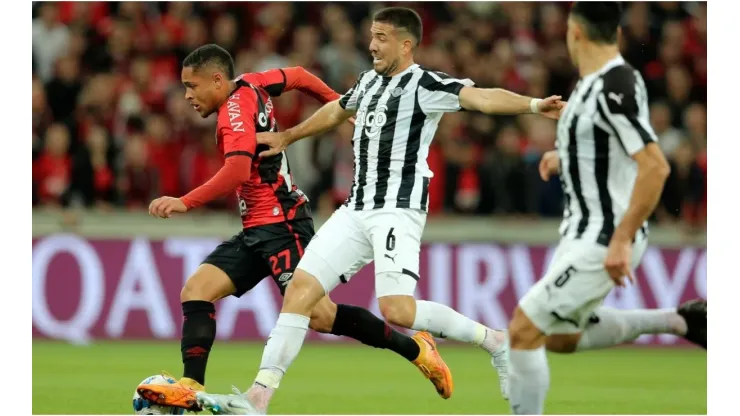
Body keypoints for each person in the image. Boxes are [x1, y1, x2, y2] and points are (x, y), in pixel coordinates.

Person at [193, 8, 564, 415]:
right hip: (356, 208)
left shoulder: (425, 83)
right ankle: (257, 399)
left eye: (382, 37)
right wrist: (288, 135)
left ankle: (495, 341)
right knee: (300, 291)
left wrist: (532, 105)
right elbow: (337, 110)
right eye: (372, 35)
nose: (372, 44)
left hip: (396, 210)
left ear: (406, 45)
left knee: (397, 309)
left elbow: (483, 98)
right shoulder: (369, 82)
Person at [136, 44, 454, 412]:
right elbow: (299, 76)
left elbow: (238, 171)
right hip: (257, 227)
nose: (188, 95)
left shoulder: (233, 114)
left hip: (283, 224)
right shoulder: (252, 83)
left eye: (192, 86)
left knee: (320, 315)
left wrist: (183, 201)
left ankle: (417, 349)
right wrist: (342, 104)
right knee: (197, 291)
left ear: (217, 80)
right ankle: (190, 387)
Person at [503, 3, 707, 414]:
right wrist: (563, 157)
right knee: (559, 338)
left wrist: (620, 238)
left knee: (522, 330)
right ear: (613, 33)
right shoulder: (589, 86)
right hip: (580, 231)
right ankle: (677, 321)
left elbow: (654, 165)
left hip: (604, 234)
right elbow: (608, 145)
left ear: (573, 34)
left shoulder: (617, 82)